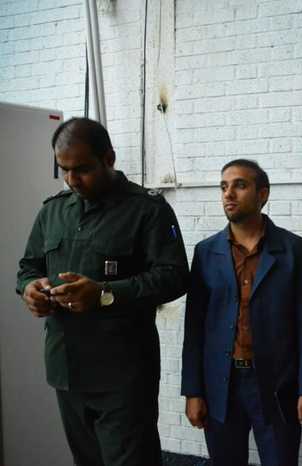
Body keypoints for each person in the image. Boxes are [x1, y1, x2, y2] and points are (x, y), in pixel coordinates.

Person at [17, 117, 189, 466]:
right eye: (64, 169)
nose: (72, 179)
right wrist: (30, 289)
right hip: (67, 368)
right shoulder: (53, 211)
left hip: (122, 374)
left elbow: (174, 277)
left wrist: (104, 293)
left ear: (108, 158)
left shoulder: (147, 210)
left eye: (82, 169)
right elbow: (28, 267)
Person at [181, 159, 302, 466]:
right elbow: (194, 328)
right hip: (221, 384)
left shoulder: (292, 248)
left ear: (263, 194)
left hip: (276, 384)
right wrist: (193, 392)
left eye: (240, 185)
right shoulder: (206, 252)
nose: (228, 194)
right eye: (223, 187)